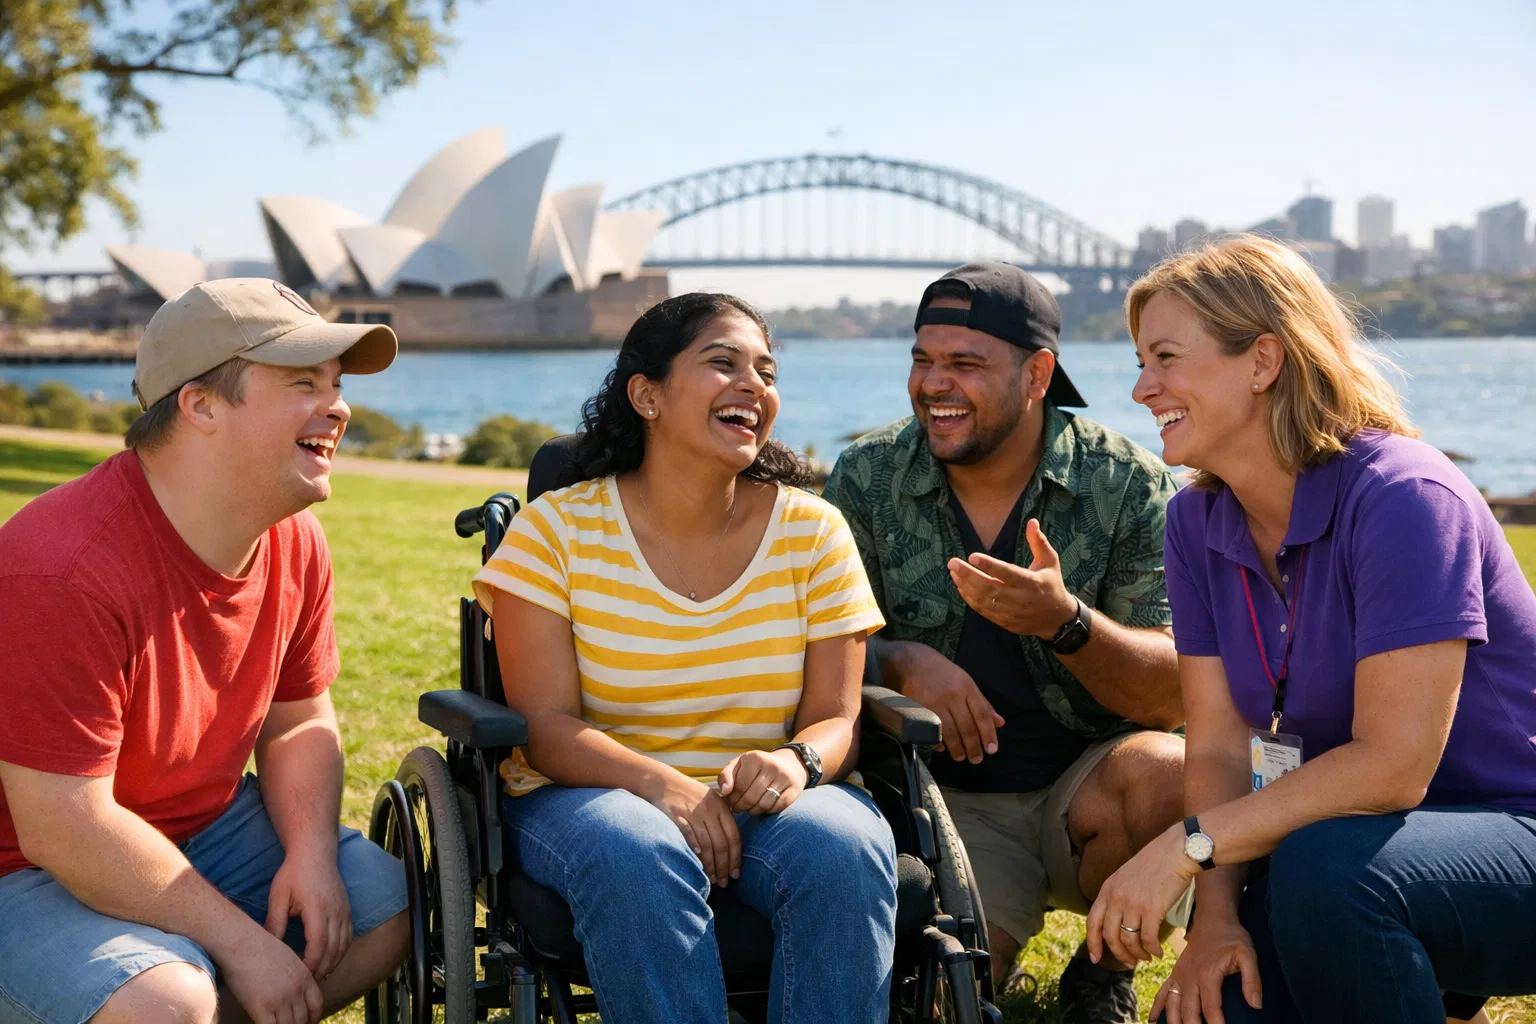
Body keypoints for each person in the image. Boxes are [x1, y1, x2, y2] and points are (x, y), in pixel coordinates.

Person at [1085, 234, 1536, 1024]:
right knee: (1211, 1006)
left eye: (1164, 358)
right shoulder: (1196, 520)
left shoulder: (1404, 497)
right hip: (1362, 848)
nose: (1141, 389)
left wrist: (1185, 846)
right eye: (1139, 363)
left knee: (1324, 873)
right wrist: (1216, 920)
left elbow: (1394, 769)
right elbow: (1222, 744)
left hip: (1505, 836)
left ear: (1263, 362)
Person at [471, 292, 897, 1024]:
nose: (755, 386)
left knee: (844, 845)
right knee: (635, 851)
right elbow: (544, 724)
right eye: (722, 363)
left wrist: (798, 761)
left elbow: (837, 716)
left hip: (767, 807)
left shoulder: (814, 533)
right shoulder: (554, 534)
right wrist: (665, 789)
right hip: (588, 800)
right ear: (647, 395)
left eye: (766, 371)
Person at [0, 279, 409, 1024]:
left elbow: (300, 722)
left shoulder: (294, 541)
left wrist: (312, 852)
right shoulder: (60, 567)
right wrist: (245, 947)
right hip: (26, 867)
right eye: (302, 383)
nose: (339, 406)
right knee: (168, 1002)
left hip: (203, 828)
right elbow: (64, 825)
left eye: (336, 385)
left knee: (382, 905)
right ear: (202, 405)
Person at [822, 262, 1188, 1023]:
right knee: (941, 1003)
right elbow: (813, 650)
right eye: (923, 360)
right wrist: (898, 659)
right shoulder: (866, 476)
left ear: (1037, 374)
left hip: (1089, 790)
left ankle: (1101, 968)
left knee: (1170, 772)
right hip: (947, 810)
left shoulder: (1126, 484)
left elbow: (1174, 690)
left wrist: (1068, 624)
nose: (933, 384)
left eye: (964, 364)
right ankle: (994, 950)